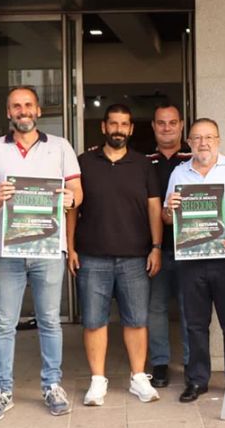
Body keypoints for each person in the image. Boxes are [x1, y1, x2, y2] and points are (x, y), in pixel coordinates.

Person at [0, 86, 83, 420]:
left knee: (50, 320)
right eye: (15, 106)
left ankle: (52, 385)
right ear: (8, 113)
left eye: (27, 105)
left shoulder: (61, 147)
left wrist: (71, 200)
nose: (22, 111)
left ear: (38, 110)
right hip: (5, 251)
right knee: (4, 323)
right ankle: (2, 391)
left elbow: (77, 191)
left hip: (48, 248)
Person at [66, 104, 163, 406]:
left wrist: (157, 247)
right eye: (113, 124)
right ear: (104, 128)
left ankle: (138, 378)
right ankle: (97, 381)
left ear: (131, 129)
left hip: (135, 256)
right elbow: (72, 208)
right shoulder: (83, 162)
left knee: (137, 319)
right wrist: (69, 247)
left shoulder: (143, 164)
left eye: (124, 124)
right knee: (94, 321)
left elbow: (154, 207)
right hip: (92, 256)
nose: (119, 129)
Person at [163, 118, 225, 404]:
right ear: (188, 142)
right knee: (195, 324)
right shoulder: (179, 174)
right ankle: (197, 380)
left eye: (209, 137)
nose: (203, 143)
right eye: (197, 138)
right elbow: (167, 217)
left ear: (219, 140)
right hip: (191, 258)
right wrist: (169, 210)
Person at [146, 102, 192, 388]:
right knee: (156, 308)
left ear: (181, 125)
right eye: (161, 123)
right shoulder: (142, 161)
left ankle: (191, 363)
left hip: (192, 246)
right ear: (153, 127)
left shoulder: (195, 158)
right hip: (156, 248)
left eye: (172, 122)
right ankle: (160, 364)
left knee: (191, 309)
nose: (167, 128)